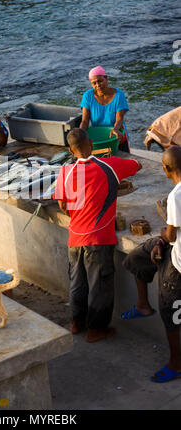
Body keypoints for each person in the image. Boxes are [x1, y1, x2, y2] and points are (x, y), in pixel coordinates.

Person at [53, 128, 141, 342]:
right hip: (99, 238)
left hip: (75, 236)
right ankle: (96, 330)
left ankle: (76, 322)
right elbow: (137, 165)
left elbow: (63, 205)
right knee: (99, 284)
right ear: (91, 144)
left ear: (71, 151)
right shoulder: (109, 164)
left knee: (77, 282)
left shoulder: (65, 172)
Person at [121, 146, 181, 383]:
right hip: (172, 246)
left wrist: (162, 238)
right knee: (137, 257)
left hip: (178, 261)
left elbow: (172, 236)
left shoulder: (177, 196)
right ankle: (142, 304)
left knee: (170, 311)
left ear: (165, 169)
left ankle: (176, 364)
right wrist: (161, 239)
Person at [79, 66, 130, 152]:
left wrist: (116, 129)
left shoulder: (119, 95)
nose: (98, 85)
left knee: (121, 162)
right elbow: (85, 121)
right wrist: (80, 135)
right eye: (94, 83)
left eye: (100, 81)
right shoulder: (87, 96)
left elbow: (119, 119)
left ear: (106, 78)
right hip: (98, 138)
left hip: (116, 137)